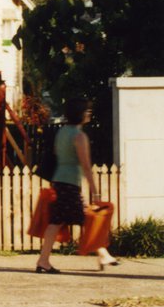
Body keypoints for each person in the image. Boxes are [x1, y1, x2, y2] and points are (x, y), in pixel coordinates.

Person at [36, 99, 120, 273]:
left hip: (58, 182)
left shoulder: (62, 132)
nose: (89, 113)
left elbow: (57, 155)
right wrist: (95, 193)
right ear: (80, 113)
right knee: (86, 219)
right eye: (86, 110)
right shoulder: (79, 136)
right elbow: (86, 166)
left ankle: (43, 261)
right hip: (70, 184)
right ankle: (103, 254)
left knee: (56, 222)